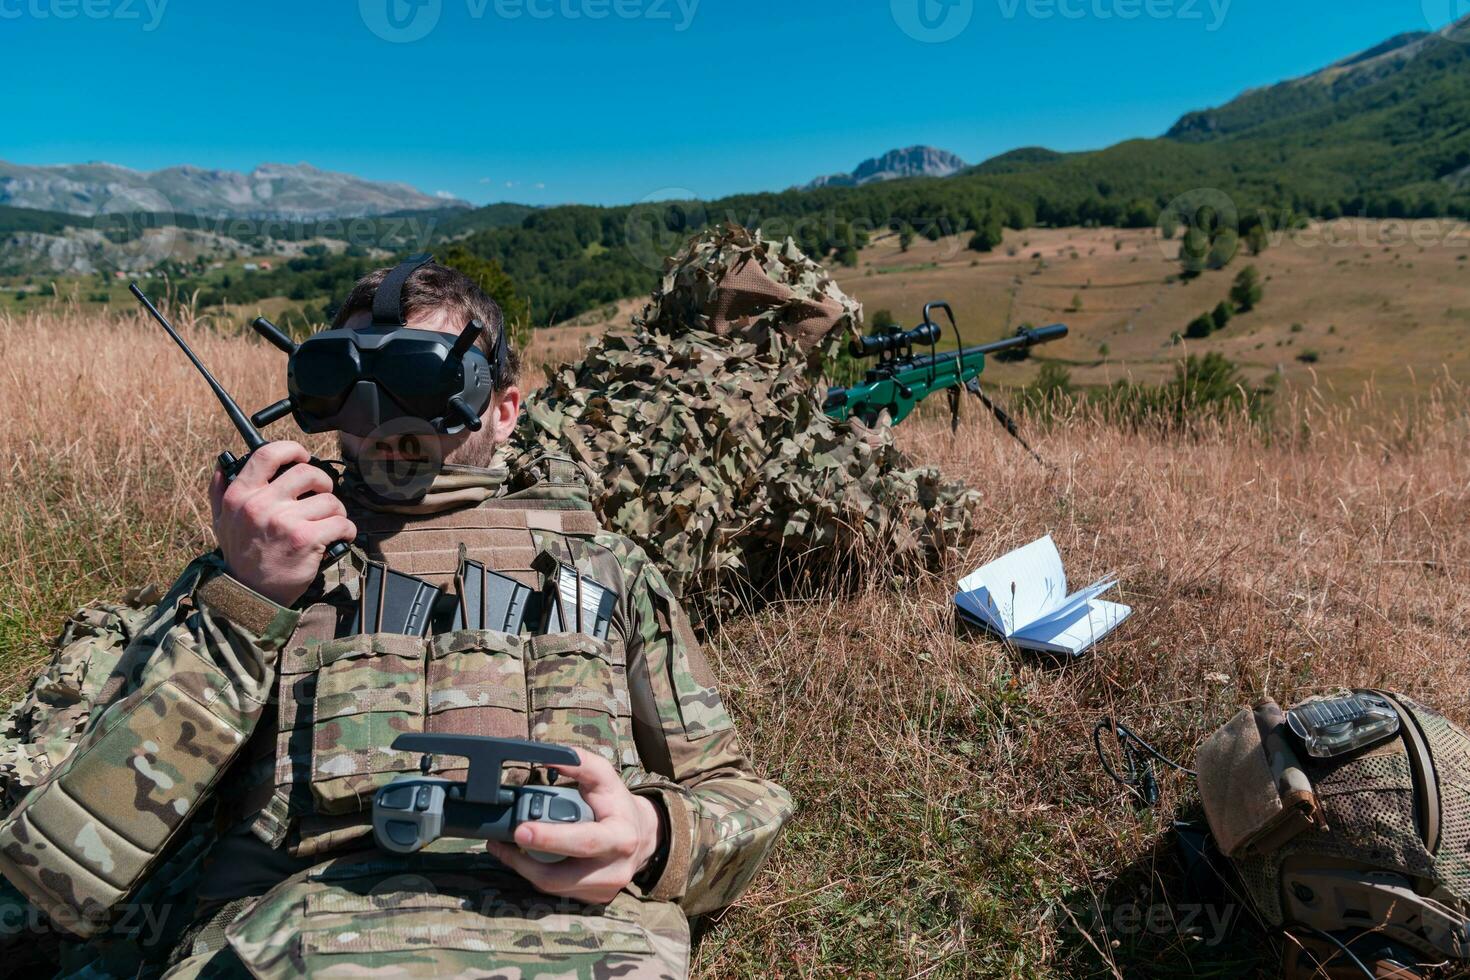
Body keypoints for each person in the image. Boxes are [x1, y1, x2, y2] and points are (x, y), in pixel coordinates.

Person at [0, 260, 793, 978]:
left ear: (504, 407)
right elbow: (64, 869)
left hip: (585, 942)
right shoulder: (264, 566)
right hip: (293, 939)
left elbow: (735, 794)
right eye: (347, 383)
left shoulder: (605, 568)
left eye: (420, 377)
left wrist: (648, 836)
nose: (380, 417)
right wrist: (250, 602)